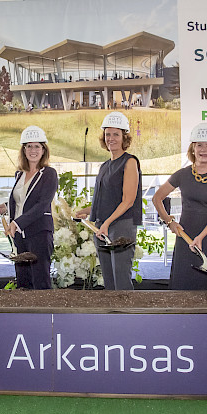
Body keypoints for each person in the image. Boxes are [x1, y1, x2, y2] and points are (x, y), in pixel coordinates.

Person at [152, 122, 207, 291]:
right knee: (186, 283)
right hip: (186, 235)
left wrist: (201, 237)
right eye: (199, 145)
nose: (203, 150)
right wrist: (170, 222)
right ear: (192, 149)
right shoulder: (182, 174)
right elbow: (157, 198)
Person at [77, 111, 142, 290]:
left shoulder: (130, 162)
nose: (111, 138)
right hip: (103, 226)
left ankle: (126, 317)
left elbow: (128, 201)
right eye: (107, 134)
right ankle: (113, 317)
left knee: (121, 280)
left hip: (121, 226)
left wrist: (106, 223)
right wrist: (88, 211)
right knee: (109, 281)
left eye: (116, 134)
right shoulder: (105, 166)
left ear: (124, 137)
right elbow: (105, 200)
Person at [0, 125, 59, 289]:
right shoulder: (19, 174)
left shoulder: (49, 174)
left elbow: (42, 204)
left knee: (40, 281)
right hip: (19, 236)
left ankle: (44, 315)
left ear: (44, 150)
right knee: (23, 281)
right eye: (29, 146)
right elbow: (23, 200)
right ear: (23, 150)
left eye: (37, 146)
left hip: (39, 234)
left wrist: (17, 223)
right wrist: (7, 206)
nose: (33, 150)